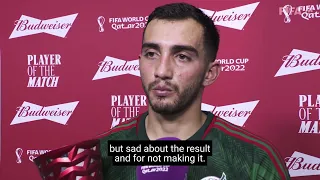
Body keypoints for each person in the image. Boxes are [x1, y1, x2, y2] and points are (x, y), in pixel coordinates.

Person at [99, 2, 291, 180]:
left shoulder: (253, 158)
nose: (161, 71)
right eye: (151, 54)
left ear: (209, 73)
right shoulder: (101, 153)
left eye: (182, 56)